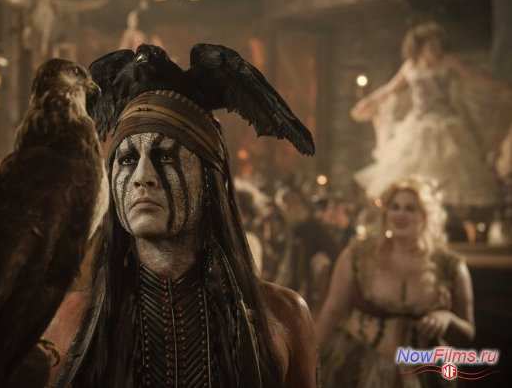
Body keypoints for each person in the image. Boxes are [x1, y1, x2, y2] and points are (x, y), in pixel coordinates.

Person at [37, 90, 317, 388]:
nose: (142, 176)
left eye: (165, 156)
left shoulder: (283, 316)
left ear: (210, 180)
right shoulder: (68, 320)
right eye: (128, 159)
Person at [316, 178, 475, 388]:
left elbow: (469, 331)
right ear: (386, 213)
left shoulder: (450, 265)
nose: (400, 214)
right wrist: (310, 359)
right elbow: (332, 311)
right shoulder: (358, 255)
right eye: (395, 207)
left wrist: (447, 318)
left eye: (410, 208)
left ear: (426, 215)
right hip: (358, 365)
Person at [351, 21, 512, 207]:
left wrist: (500, 88)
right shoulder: (410, 66)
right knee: (410, 167)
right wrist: (369, 101)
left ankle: (444, 212)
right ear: (420, 47)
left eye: (438, 44)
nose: (436, 49)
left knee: (450, 168)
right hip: (418, 123)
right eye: (431, 45)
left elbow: (473, 77)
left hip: (446, 122)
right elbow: (390, 89)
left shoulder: (447, 62)